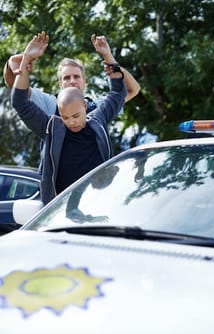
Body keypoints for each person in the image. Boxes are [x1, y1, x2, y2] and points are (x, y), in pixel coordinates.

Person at [11, 32, 127, 205]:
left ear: (85, 107)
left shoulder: (98, 119)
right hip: (60, 207)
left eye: (76, 116)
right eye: (65, 117)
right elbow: (20, 102)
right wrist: (26, 58)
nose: (71, 122)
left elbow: (118, 92)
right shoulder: (50, 128)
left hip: (101, 202)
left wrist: (108, 57)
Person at [3, 34, 140, 115]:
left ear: (84, 81)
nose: (72, 81)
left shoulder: (98, 107)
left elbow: (132, 90)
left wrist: (110, 59)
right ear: (60, 84)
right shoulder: (49, 104)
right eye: (66, 78)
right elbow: (16, 87)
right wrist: (17, 61)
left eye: (76, 76)